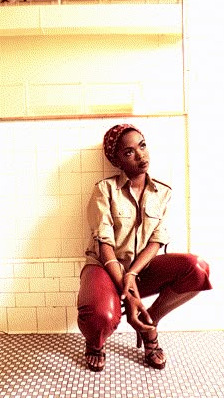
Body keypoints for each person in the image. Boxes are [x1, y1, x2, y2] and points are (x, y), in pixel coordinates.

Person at [77, 123, 212, 372]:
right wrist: (127, 291)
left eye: (142, 145)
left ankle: (149, 322)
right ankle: (95, 343)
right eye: (129, 152)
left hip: (140, 269)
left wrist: (132, 275)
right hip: (104, 268)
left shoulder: (162, 192)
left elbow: (156, 241)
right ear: (116, 160)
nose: (141, 155)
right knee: (101, 317)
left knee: (197, 269)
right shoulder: (104, 190)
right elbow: (104, 242)